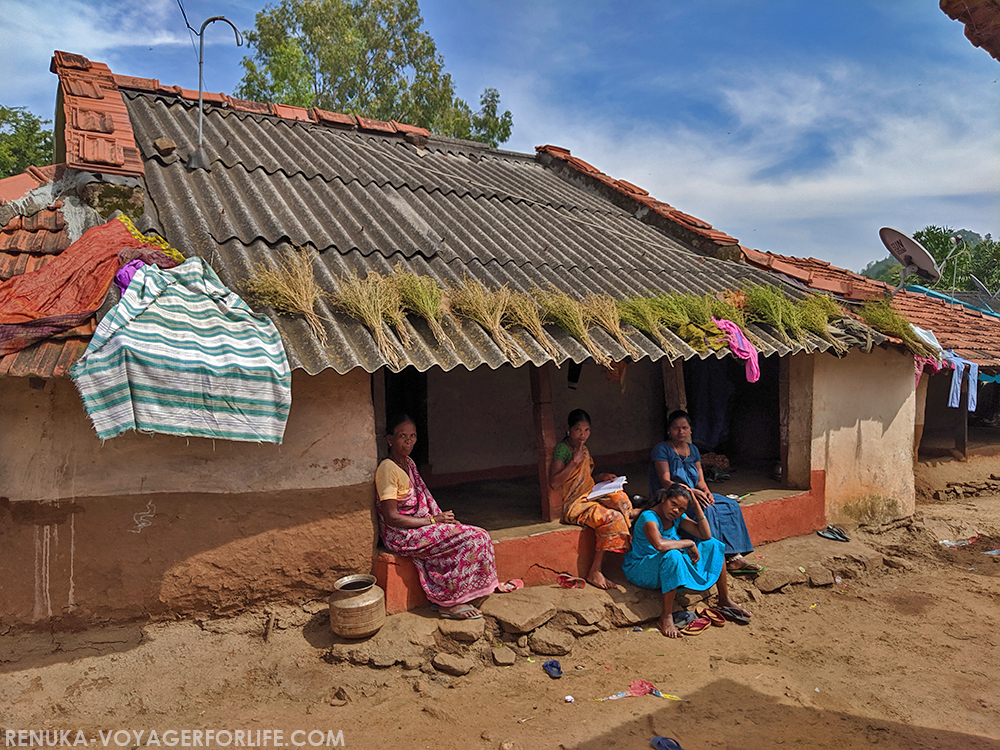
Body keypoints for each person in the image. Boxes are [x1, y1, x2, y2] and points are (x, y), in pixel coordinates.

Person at [375, 414, 500, 620]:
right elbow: (391, 518)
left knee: (478, 534)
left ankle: (447, 595)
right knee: (473, 538)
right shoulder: (387, 469)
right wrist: (433, 521)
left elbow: (423, 499)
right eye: (402, 436)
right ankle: (449, 604)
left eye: (412, 435)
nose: (408, 441)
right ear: (390, 439)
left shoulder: (408, 463)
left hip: (419, 525)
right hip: (400, 534)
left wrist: (442, 520)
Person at [624, 484, 750, 638]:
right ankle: (665, 617)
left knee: (714, 545)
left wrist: (696, 503)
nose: (676, 511)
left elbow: (705, 535)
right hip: (641, 568)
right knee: (673, 555)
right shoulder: (648, 517)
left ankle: (724, 599)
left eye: (682, 509)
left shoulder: (677, 517)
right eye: (673, 504)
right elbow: (659, 545)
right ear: (664, 499)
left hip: (666, 563)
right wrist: (688, 542)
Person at [648, 410, 763, 576]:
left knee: (730, 506)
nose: (680, 432)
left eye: (684, 428)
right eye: (676, 428)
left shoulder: (693, 450)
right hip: (673, 496)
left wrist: (706, 491)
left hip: (694, 493)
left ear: (690, 430)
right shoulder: (662, 449)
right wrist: (692, 492)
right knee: (707, 510)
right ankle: (713, 558)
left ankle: (733, 557)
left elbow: (701, 480)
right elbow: (666, 481)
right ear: (669, 431)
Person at [549, 409, 638, 590]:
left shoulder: (584, 449)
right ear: (569, 430)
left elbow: (585, 477)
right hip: (574, 503)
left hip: (590, 493)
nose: (582, 435)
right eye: (578, 430)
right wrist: (574, 461)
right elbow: (554, 482)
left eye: (587, 430)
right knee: (612, 518)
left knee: (622, 501)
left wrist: (600, 477)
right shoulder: (562, 450)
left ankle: (628, 532)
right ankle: (595, 571)